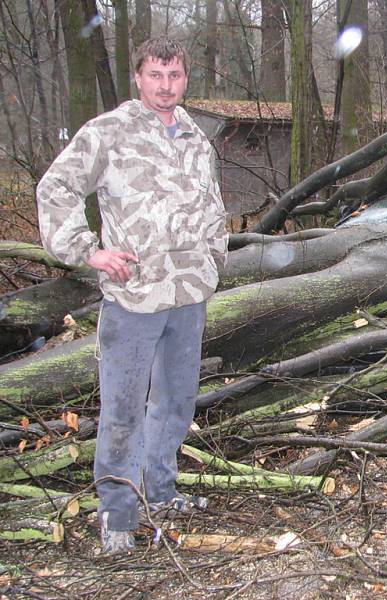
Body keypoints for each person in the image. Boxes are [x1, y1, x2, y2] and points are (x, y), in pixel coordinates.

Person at [37, 37, 228, 554]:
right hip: (133, 296)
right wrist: (87, 249)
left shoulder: (195, 135)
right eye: (155, 76)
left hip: (188, 292)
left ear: (185, 78)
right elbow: (56, 188)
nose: (166, 87)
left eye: (175, 76)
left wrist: (215, 257)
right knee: (123, 412)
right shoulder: (109, 132)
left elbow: (213, 205)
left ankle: (160, 493)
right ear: (138, 78)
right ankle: (117, 516)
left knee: (174, 404)